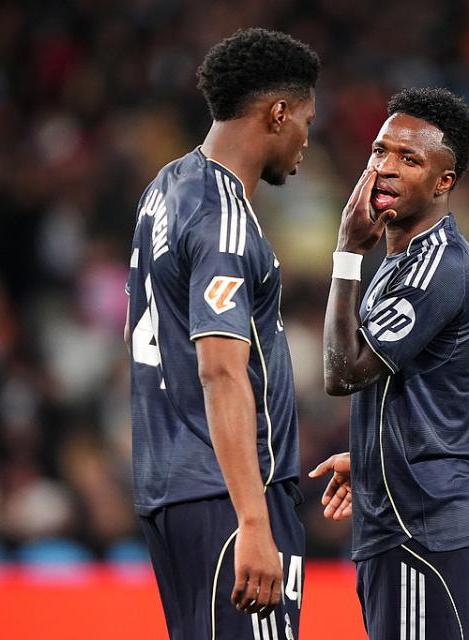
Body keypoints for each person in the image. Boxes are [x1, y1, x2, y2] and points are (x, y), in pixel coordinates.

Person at [125, 28, 318, 640]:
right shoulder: (223, 219)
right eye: (306, 120)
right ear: (278, 114)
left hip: (173, 490)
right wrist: (254, 522)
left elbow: (148, 333)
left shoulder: (165, 188)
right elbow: (220, 370)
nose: (306, 138)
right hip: (230, 494)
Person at [309, 88, 469, 640]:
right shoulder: (402, 262)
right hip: (406, 519)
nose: (385, 168)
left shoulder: (437, 264)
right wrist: (373, 459)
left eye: (409, 158)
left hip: (425, 526)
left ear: (444, 181)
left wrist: (347, 253)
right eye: (379, 151)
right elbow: (423, 385)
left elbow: (343, 372)